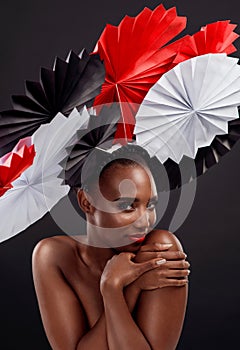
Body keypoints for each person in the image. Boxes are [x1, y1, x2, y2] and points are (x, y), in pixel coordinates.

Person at [32, 144, 190, 350]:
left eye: (150, 205)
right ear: (86, 202)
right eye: (126, 206)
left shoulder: (159, 251)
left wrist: (114, 291)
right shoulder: (53, 257)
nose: (145, 222)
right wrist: (117, 288)